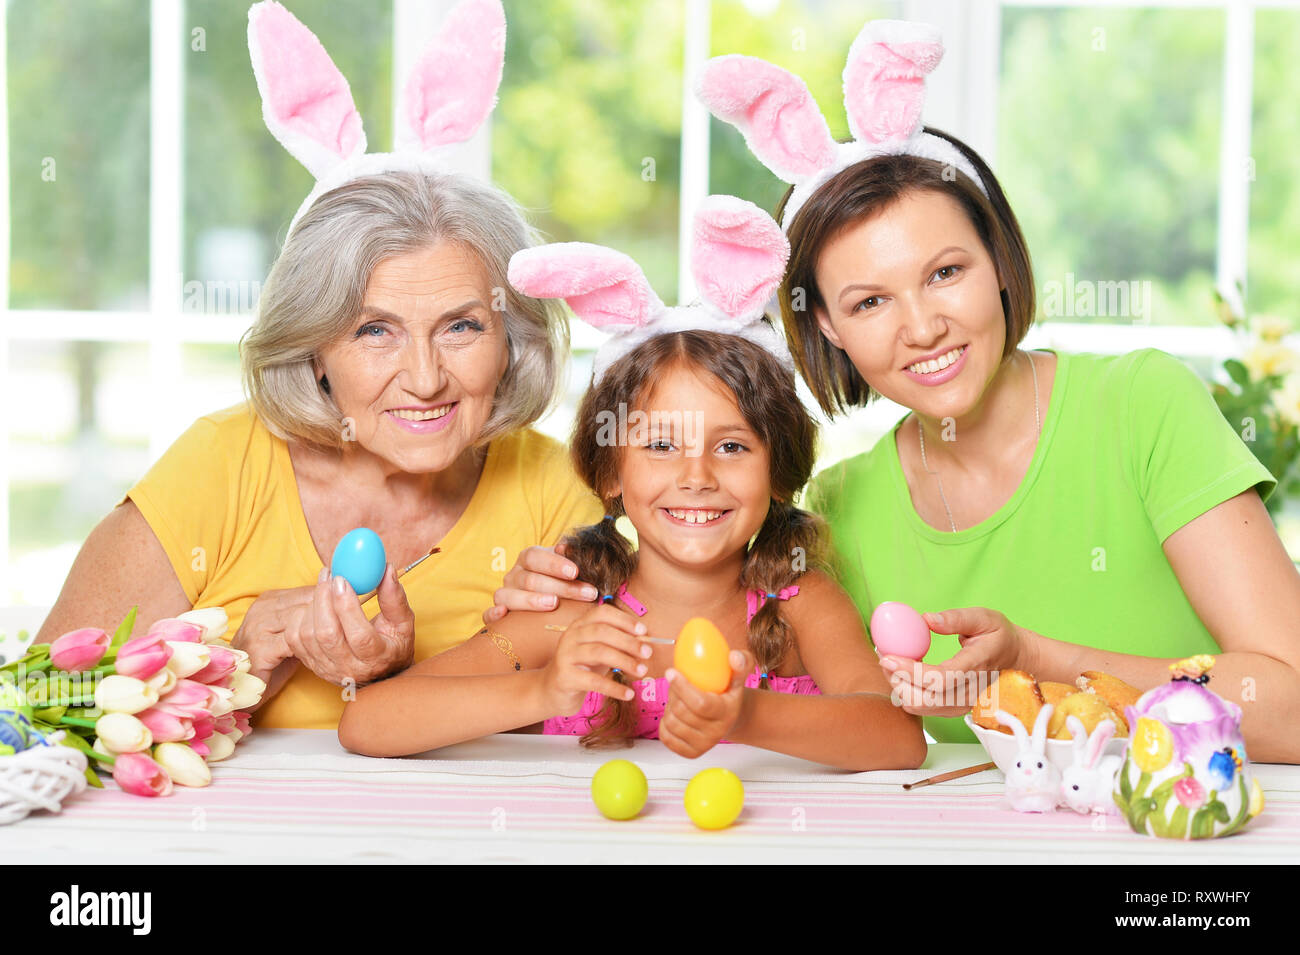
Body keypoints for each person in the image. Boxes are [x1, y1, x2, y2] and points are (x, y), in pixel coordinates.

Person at [491, 19, 1300, 763]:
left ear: (999, 258)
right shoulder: (837, 508)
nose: (922, 328)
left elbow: (1290, 706)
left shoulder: (1142, 406)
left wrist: (1043, 661)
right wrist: (548, 598)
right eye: (869, 301)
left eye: (945, 272)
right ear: (830, 328)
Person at [34, 0, 601, 730]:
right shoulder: (222, 464)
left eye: (461, 325)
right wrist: (243, 660)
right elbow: (39, 705)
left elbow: (627, 708)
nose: (426, 377)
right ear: (315, 351)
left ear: (510, 335)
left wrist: (534, 643)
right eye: (375, 331)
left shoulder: (557, 493)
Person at [338, 199, 926, 770]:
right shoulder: (570, 610)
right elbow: (367, 721)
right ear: (611, 472)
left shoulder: (800, 603)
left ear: (778, 472)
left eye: (731, 446)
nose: (696, 477)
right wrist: (543, 691)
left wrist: (742, 714)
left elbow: (898, 739)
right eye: (662, 446)